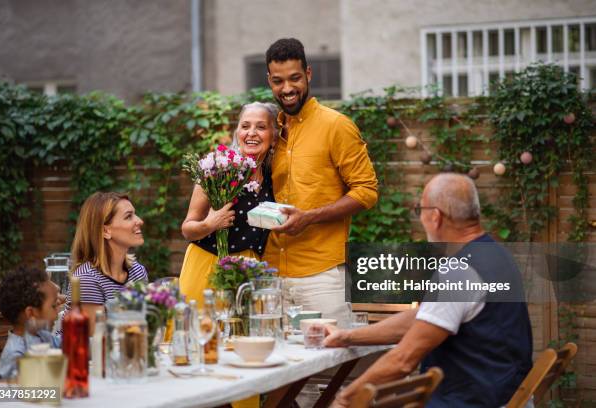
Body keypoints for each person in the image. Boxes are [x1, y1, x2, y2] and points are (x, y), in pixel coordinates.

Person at [325, 173, 533, 407]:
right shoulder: (497, 254)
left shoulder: (459, 272)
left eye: (419, 210)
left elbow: (403, 361)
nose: (420, 217)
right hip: (505, 392)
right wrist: (348, 336)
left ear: (435, 217)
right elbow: (425, 318)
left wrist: (344, 400)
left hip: (472, 400)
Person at [262, 38, 378, 326]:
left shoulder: (336, 126)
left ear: (308, 74)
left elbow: (367, 191)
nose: (287, 89)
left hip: (322, 277)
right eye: (278, 81)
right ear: (269, 81)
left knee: (330, 361)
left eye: (295, 78)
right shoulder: (270, 131)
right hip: (271, 273)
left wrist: (310, 217)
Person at [179, 102, 278, 305]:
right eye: (245, 126)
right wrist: (211, 224)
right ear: (237, 132)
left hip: (249, 270)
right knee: (205, 333)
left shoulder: (273, 177)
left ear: (274, 135)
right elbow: (188, 229)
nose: (252, 133)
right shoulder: (218, 169)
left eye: (260, 127)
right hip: (208, 265)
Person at [65, 191, 148, 335]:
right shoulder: (87, 279)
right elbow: (95, 342)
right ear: (105, 231)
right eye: (129, 216)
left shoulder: (138, 272)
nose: (139, 220)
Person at [0, 267, 62, 379]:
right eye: (53, 306)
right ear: (31, 313)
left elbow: (67, 346)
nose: (57, 314)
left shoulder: (42, 336)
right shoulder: (16, 356)